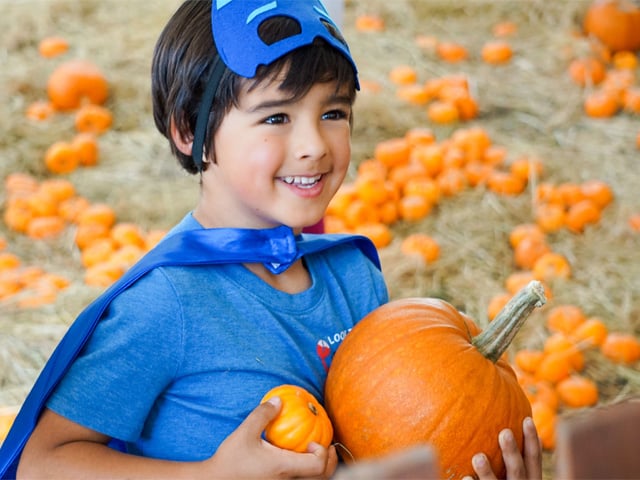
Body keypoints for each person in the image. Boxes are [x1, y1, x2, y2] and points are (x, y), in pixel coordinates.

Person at [1, 1, 541, 479]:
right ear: (189, 130)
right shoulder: (168, 302)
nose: (313, 145)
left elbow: (385, 444)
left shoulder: (354, 277)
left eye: (333, 113)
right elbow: (42, 462)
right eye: (276, 116)